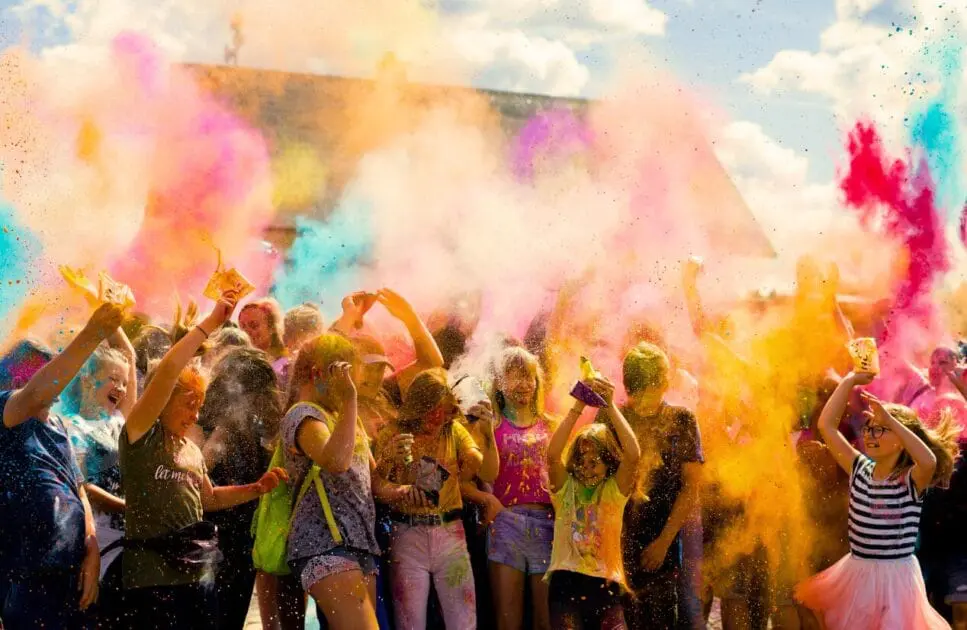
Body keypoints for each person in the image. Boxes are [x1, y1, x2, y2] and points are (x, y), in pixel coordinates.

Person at [119, 293, 288, 628]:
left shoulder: (191, 450)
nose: (196, 414)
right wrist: (210, 324)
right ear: (163, 401)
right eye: (189, 404)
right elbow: (168, 372)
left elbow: (208, 498)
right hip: (151, 581)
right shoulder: (141, 437)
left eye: (200, 405)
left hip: (196, 578)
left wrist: (256, 488)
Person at [795, 370, 959, 629]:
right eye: (869, 429)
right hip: (857, 574)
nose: (871, 435)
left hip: (896, 581)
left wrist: (891, 419)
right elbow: (827, 426)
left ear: (901, 440)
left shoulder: (910, 479)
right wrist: (850, 380)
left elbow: (928, 461)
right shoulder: (858, 468)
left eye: (881, 430)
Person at [1, 303, 125, 629]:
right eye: (40, 375)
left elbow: (78, 489)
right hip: (21, 579)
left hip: (68, 575)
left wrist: (92, 550)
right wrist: (93, 333)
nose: (55, 385)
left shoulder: (58, 426)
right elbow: (34, 395)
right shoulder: (6, 414)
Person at [283, 333, 411, 630]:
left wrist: (400, 479)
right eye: (345, 375)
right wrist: (351, 399)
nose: (351, 383)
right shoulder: (303, 415)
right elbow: (337, 462)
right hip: (325, 545)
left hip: (359, 545)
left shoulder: (343, 417)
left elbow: (373, 484)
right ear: (318, 373)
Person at [375, 368, 484, 630]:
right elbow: (375, 485)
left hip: (450, 533)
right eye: (430, 410)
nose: (436, 418)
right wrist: (394, 472)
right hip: (407, 535)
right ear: (418, 405)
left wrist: (479, 441)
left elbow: (481, 465)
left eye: (442, 410)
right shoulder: (392, 432)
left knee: (464, 622)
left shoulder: (453, 429)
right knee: (409, 623)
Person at [609, 342, 703, 630]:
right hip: (617, 542)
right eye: (636, 389)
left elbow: (690, 487)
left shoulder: (682, 419)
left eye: (650, 387)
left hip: (664, 542)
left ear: (663, 383)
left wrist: (663, 542)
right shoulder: (613, 418)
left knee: (662, 619)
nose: (642, 398)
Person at [465, 347, 555, 630]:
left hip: (548, 524)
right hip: (506, 522)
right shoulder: (491, 425)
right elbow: (485, 474)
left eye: (528, 377)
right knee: (508, 620)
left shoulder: (550, 424)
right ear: (500, 384)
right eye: (515, 377)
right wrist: (487, 434)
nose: (523, 384)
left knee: (546, 620)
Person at [545, 373, 641, 630]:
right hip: (566, 584)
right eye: (580, 461)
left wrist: (609, 406)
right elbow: (553, 456)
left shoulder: (613, 491)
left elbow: (633, 455)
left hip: (606, 587)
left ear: (609, 463)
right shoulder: (566, 489)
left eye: (594, 462)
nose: (586, 468)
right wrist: (578, 404)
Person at [197, 347, 281, 630]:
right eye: (257, 394)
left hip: (245, 539)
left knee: (233, 615)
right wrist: (220, 435)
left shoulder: (259, 432)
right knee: (210, 617)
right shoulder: (203, 424)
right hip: (210, 540)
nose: (262, 401)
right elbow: (193, 476)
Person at [59, 329, 138, 627]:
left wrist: (112, 322)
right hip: (98, 542)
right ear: (87, 379)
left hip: (127, 540)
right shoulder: (73, 428)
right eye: (113, 379)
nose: (121, 388)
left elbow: (129, 356)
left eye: (125, 383)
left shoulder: (118, 418)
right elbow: (83, 486)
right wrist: (127, 508)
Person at [239, 298, 287, 366]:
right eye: (243, 327)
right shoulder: (239, 361)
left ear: (272, 328)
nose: (246, 332)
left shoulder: (285, 362)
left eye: (254, 326)